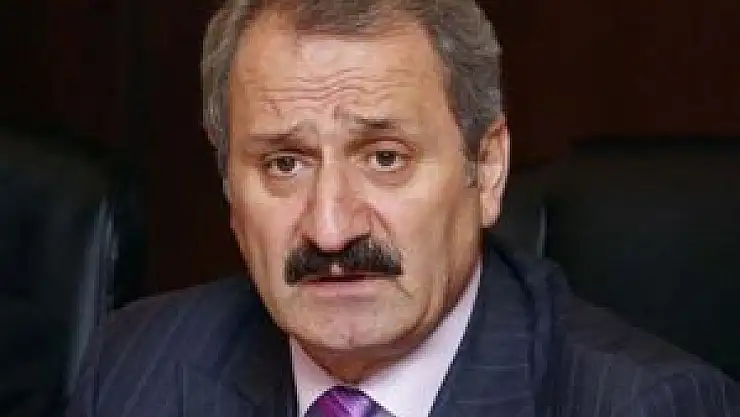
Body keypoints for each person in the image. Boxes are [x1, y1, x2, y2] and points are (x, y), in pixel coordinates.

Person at [65, 0, 739, 416]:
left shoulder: (644, 405)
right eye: (284, 163)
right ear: (227, 187)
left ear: (487, 167)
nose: (331, 230)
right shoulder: (134, 367)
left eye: (384, 157)